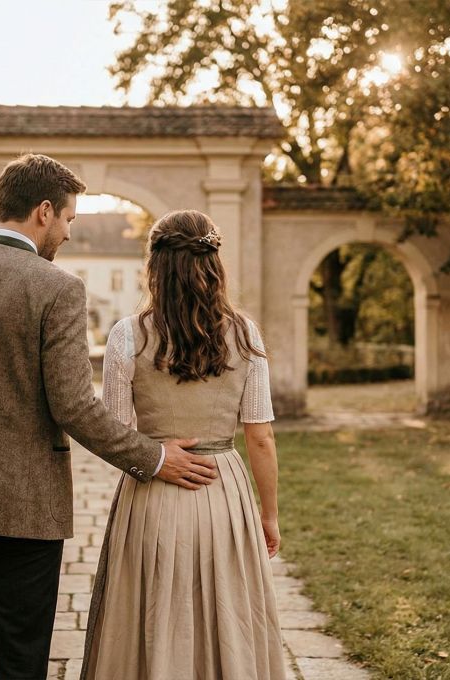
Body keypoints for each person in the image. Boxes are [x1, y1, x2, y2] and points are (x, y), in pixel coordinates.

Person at [0, 154, 218, 680]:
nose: (66, 232)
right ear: (44, 211)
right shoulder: (57, 288)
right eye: (67, 219)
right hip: (27, 499)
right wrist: (154, 457)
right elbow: (74, 404)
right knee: (22, 646)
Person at [80, 210, 286, 679]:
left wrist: (152, 455)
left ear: (154, 266)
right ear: (214, 263)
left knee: (153, 608)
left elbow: (115, 430)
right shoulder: (245, 334)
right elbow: (261, 435)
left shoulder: (126, 335)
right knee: (226, 609)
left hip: (152, 488)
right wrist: (268, 516)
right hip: (224, 490)